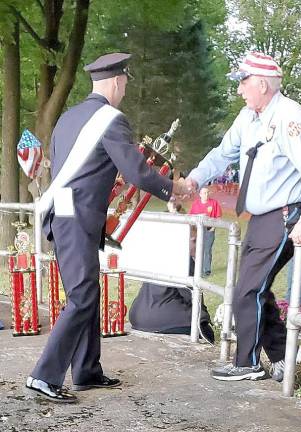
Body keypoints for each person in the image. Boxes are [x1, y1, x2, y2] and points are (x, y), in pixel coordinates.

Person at [26, 52, 189, 403]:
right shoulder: (111, 121)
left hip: (66, 215)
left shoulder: (68, 118)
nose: (125, 90)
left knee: (88, 293)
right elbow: (136, 172)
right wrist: (174, 187)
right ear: (117, 81)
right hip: (78, 219)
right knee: (82, 295)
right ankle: (43, 375)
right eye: (125, 83)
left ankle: (86, 370)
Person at [185, 52, 301, 382]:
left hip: (283, 215)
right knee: (255, 288)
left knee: (246, 291)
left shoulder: (289, 116)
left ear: (262, 84)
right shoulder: (248, 117)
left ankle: (248, 362)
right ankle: (283, 354)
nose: (239, 89)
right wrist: (195, 178)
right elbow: (223, 153)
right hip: (260, 217)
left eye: (243, 81)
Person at [129, 201, 215, 342]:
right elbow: (193, 298)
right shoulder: (183, 258)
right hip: (161, 317)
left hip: (137, 315)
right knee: (206, 332)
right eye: (194, 241)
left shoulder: (157, 252)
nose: (198, 245)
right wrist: (204, 318)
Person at [189, 187, 222, 276]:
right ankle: (198, 270)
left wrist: (213, 228)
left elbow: (218, 217)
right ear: (200, 194)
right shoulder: (195, 204)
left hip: (209, 229)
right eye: (204, 193)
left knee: (207, 250)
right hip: (198, 230)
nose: (206, 194)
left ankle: (207, 270)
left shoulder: (214, 203)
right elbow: (191, 217)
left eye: (207, 193)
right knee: (198, 250)